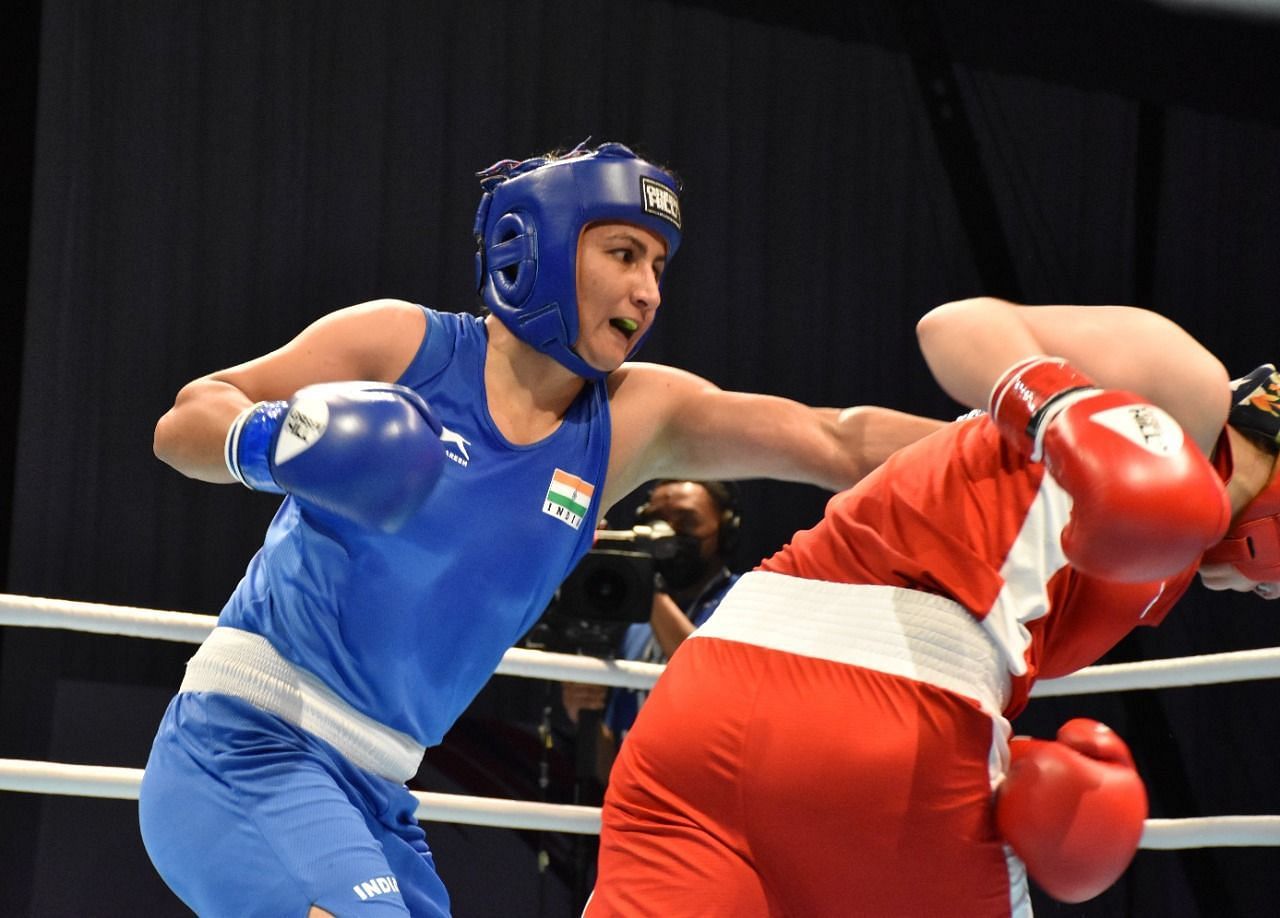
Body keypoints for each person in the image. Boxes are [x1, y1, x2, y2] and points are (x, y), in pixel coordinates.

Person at [136, 140, 943, 918]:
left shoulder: (631, 419)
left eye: (659, 266)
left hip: (375, 792)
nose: (649, 291)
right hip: (244, 747)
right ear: (541, 245)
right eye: (624, 254)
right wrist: (276, 441)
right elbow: (186, 420)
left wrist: (1017, 429)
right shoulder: (403, 344)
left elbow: (834, 439)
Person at [587, 296, 1280, 918]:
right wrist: (1068, 415)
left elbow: (860, 455)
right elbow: (956, 323)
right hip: (892, 722)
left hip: (707, 702)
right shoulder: (1189, 398)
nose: (1269, 592)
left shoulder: (1104, 513)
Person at [560, 479, 744, 767]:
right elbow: (612, 769)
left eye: (686, 521)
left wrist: (646, 584)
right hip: (637, 803)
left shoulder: (742, 600)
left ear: (725, 532)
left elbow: (704, 675)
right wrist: (585, 716)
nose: (667, 533)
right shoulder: (637, 619)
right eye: (655, 520)